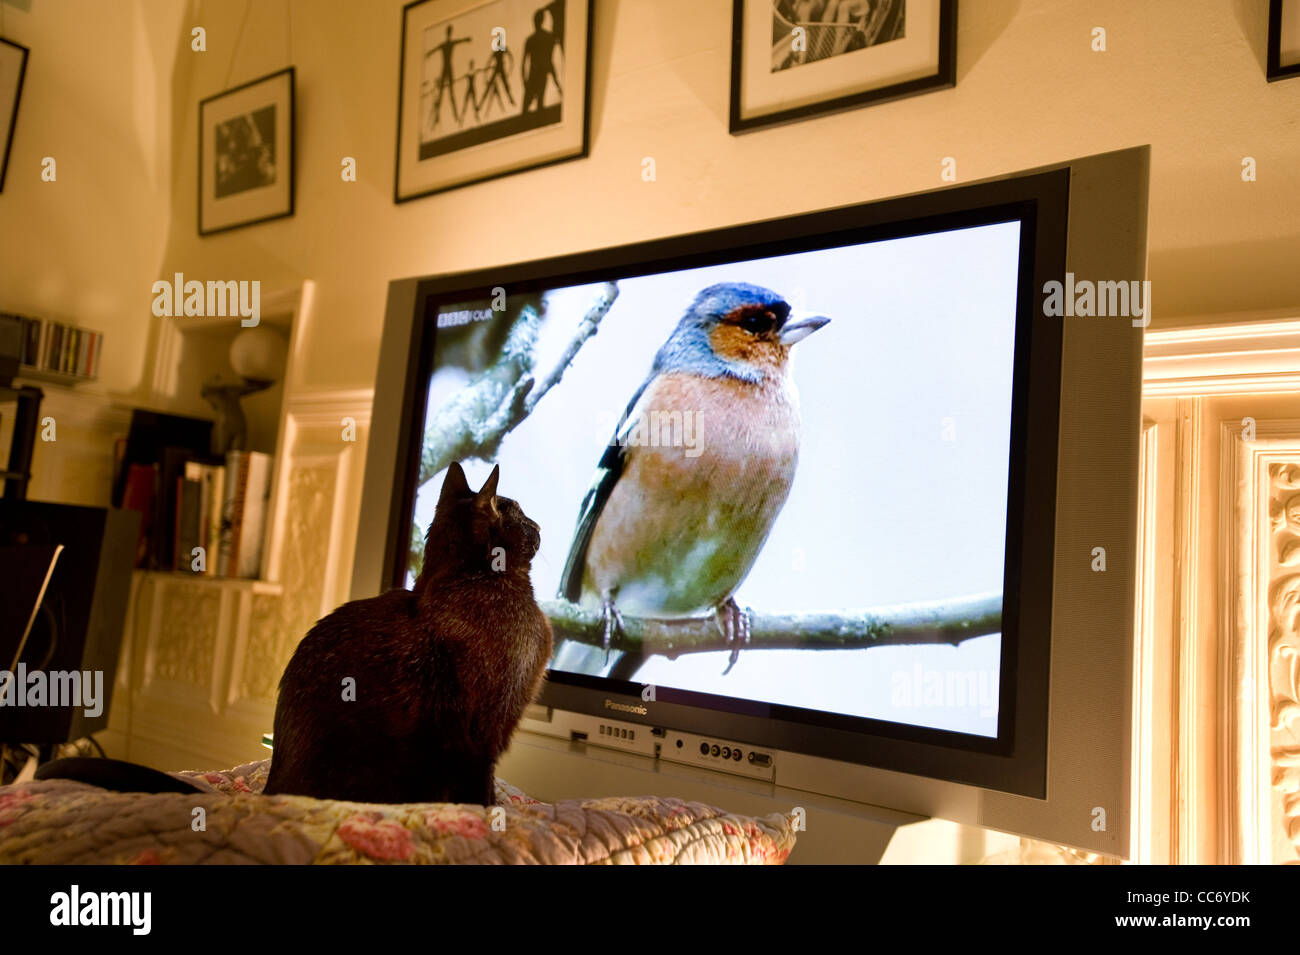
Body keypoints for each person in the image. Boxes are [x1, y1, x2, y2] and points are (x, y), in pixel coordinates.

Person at [521, 8, 561, 113]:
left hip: (536, 75)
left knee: (532, 107)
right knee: (537, 106)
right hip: (537, 75)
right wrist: (556, 81)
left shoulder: (534, 39)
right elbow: (549, 62)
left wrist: (524, 81)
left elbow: (548, 61)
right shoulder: (546, 38)